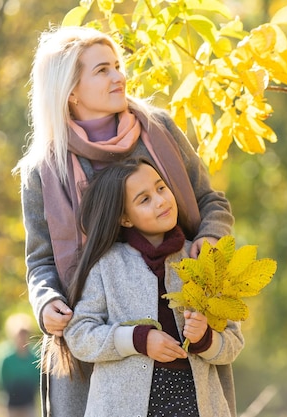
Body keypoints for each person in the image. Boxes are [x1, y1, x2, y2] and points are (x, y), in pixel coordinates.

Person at [12, 25, 235, 416]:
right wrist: (47, 304)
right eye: (103, 70)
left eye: (117, 65)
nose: (120, 76)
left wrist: (212, 238)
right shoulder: (43, 170)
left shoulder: (159, 130)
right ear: (70, 90)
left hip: (183, 322)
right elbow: (41, 261)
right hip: (94, 339)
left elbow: (211, 202)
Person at [55, 159, 244, 416]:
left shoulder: (201, 259)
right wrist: (137, 339)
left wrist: (205, 339)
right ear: (125, 218)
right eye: (144, 199)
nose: (160, 201)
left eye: (161, 188)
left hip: (196, 406)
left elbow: (233, 341)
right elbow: (79, 335)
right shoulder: (107, 265)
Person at [0, 313, 40, 417]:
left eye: (25, 334)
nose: (22, 337)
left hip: (29, 401)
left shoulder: (34, 356)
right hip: (10, 403)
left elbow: (38, 378)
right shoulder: (5, 357)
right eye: (19, 334)